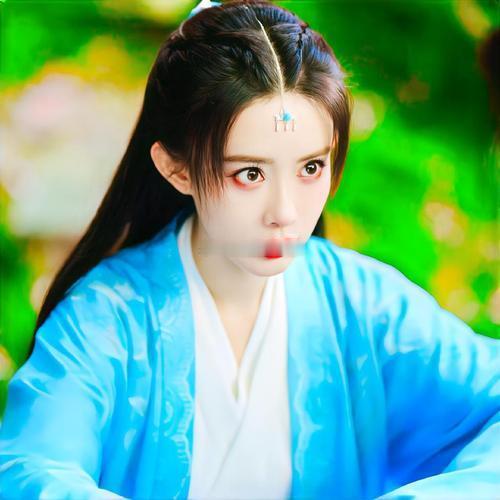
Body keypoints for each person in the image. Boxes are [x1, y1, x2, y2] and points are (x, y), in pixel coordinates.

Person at [0, 0, 498, 498]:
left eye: (310, 168)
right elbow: (33, 469)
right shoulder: (107, 319)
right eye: (250, 174)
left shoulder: (363, 305)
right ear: (177, 168)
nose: (285, 211)